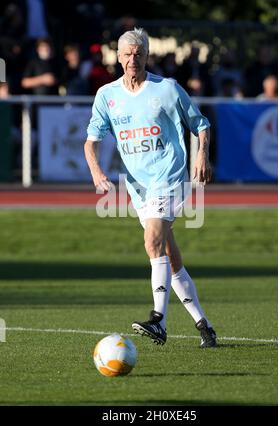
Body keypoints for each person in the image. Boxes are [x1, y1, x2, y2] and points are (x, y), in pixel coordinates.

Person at [84, 28, 217, 348]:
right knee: (170, 256)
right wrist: (96, 170)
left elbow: (201, 124)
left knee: (152, 238)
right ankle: (204, 325)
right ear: (118, 57)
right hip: (138, 187)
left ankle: (158, 320)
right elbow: (91, 142)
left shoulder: (168, 89)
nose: (133, 59)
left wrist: (202, 155)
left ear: (147, 56)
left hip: (169, 177)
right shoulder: (107, 95)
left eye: (139, 53)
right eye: (127, 54)